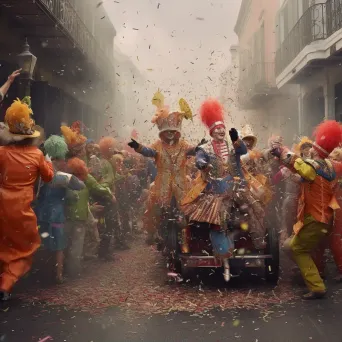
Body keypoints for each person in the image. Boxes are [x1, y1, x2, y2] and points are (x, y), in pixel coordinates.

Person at [271, 120, 342, 299]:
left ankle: (317, 286)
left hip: (315, 220)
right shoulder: (330, 165)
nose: (309, 148)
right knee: (290, 246)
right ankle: (315, 276)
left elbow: (298, 164)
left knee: (298, 249)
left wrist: (281, 151)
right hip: (325, 219)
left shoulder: (314, 167)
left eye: (312, 146)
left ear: (315, 149)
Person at [181, 98, 247, 281]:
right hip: (214, 193)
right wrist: (203, 165)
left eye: (222, 128)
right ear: (211, 132)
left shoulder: (232, 146)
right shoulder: (204, 148)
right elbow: (199, 160)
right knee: (217, 224)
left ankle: (253, 243)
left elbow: (244, 152)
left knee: (247, 217)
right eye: (216, 128)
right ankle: (224, 256)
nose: (220, 130)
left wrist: (237, 140)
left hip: (237, 189)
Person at [0, 98, 54, 301]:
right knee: (25, 247)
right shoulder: (37, 154)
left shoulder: (2, 152)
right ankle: (5, 285)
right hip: (22, 207)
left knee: (4, 243)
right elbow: (49, 177)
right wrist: (48, 162)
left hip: (2, 203)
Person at [128, 91, 195, 244]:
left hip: (181, 181)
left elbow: (192, 150)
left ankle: (191, 233)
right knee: (153, 205)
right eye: (167, 131)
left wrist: (200, 147)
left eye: (173, 131)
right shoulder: (157, 145)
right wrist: (138, 147)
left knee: (190, 205)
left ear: (177, 132)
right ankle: (152, 232)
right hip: (161, 182)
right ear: (162, 132)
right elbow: (149, 151)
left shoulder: (183, 144)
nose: (170, 134)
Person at [35, 135, 85, 283]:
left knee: (42, 241)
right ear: (59, 157)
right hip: (57, 216)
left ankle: (41, 272)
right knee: (59, 245)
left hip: (40, 213)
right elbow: (80, 185)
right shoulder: (62, 177)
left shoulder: (38, 172)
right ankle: (58, 275)